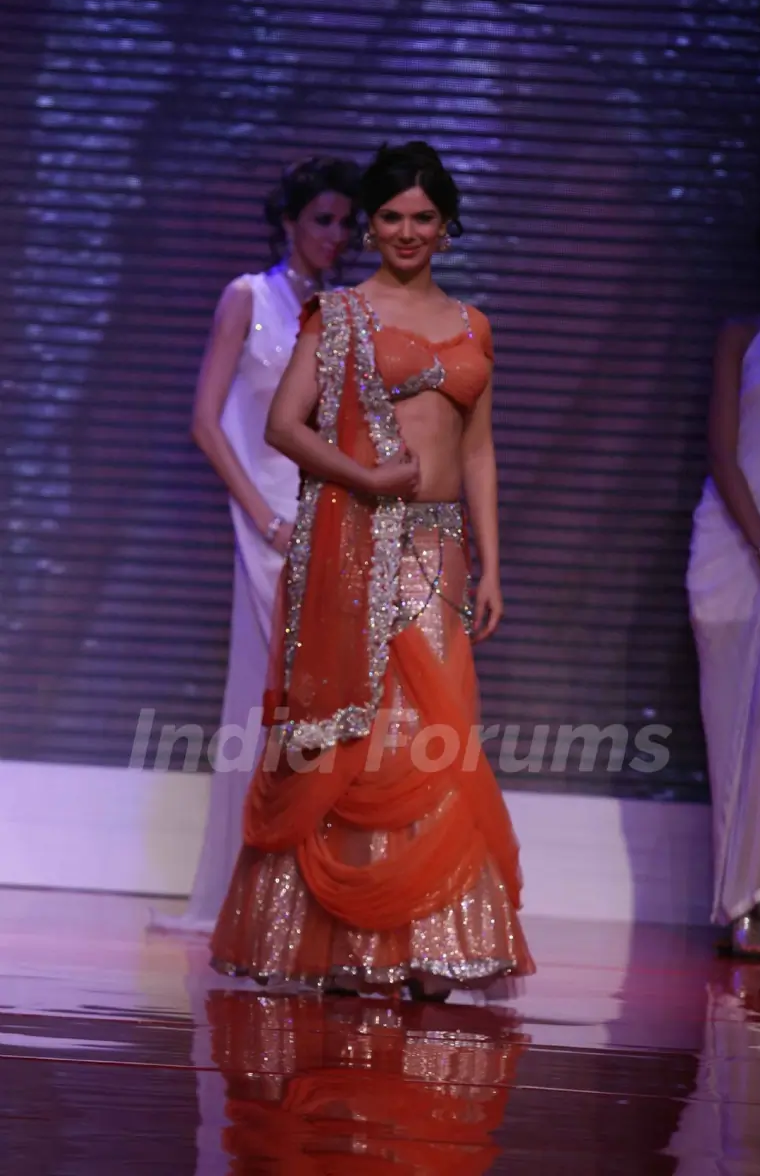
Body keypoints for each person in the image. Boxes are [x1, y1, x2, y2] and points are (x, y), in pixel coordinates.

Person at [210, 141, 535, 998]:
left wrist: (493, 566)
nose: (406, 231)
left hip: (441, 551)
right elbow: (284, 425)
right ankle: (348, 942)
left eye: (422, 217)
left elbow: (479, 452)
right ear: (371, 226)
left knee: (433, 739)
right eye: (390, 216)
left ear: (447, 224)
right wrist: (366, 478)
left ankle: (431, 940)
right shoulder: (340, 313)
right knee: (357, 740)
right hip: (359, 548)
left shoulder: (474, 325)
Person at [151, 156, 360, 934]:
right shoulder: (248, 297)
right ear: (289, 220)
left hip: (323, 522)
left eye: (347, 223)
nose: (337, 235)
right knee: (268, 701)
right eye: (323, 219)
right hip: (266, 524)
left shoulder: (341, 311)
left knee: (319, 706)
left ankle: (305, 891)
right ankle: (245, 893)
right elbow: (206, 423)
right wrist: (264, 520)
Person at [687, 190, 760, 959]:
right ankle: (741, 901)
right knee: (730, 721)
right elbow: (723, 453)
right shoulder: (740, 337)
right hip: (733, 547)